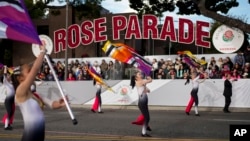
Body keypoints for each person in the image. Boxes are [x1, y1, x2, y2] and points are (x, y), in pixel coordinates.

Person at [12, 41, 66, 141]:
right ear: (20, 79)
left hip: (39, 136)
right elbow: (36, 68)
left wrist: (59, 104)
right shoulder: (20, 93)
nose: (32, 72)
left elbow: (51, 104)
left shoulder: (36, 95)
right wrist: (42, 51)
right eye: (29, 71)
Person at [130, 71, 152, 137]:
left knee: (146, 117)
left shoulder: (141, 82)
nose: (141, 74)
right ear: (136, 78)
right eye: (139, 74)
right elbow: (150, 80)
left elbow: (146, 89)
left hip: (144, 101)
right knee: (147, 118)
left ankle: (145, 127)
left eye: (140, 73)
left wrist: (147, 89)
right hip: (142, 102)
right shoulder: (140, 82)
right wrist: (148, 75)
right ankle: (143, 132)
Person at [1, 66, 15, 130]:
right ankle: (6, 126)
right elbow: (4, 75)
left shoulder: (11, 84)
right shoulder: (6, 82)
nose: (9, 76)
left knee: (11, 112)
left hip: (12, 100)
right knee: (9, 112)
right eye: (8, 76)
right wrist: (5, 69)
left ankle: (8, 124)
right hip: (8, 100)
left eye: (10, 76)